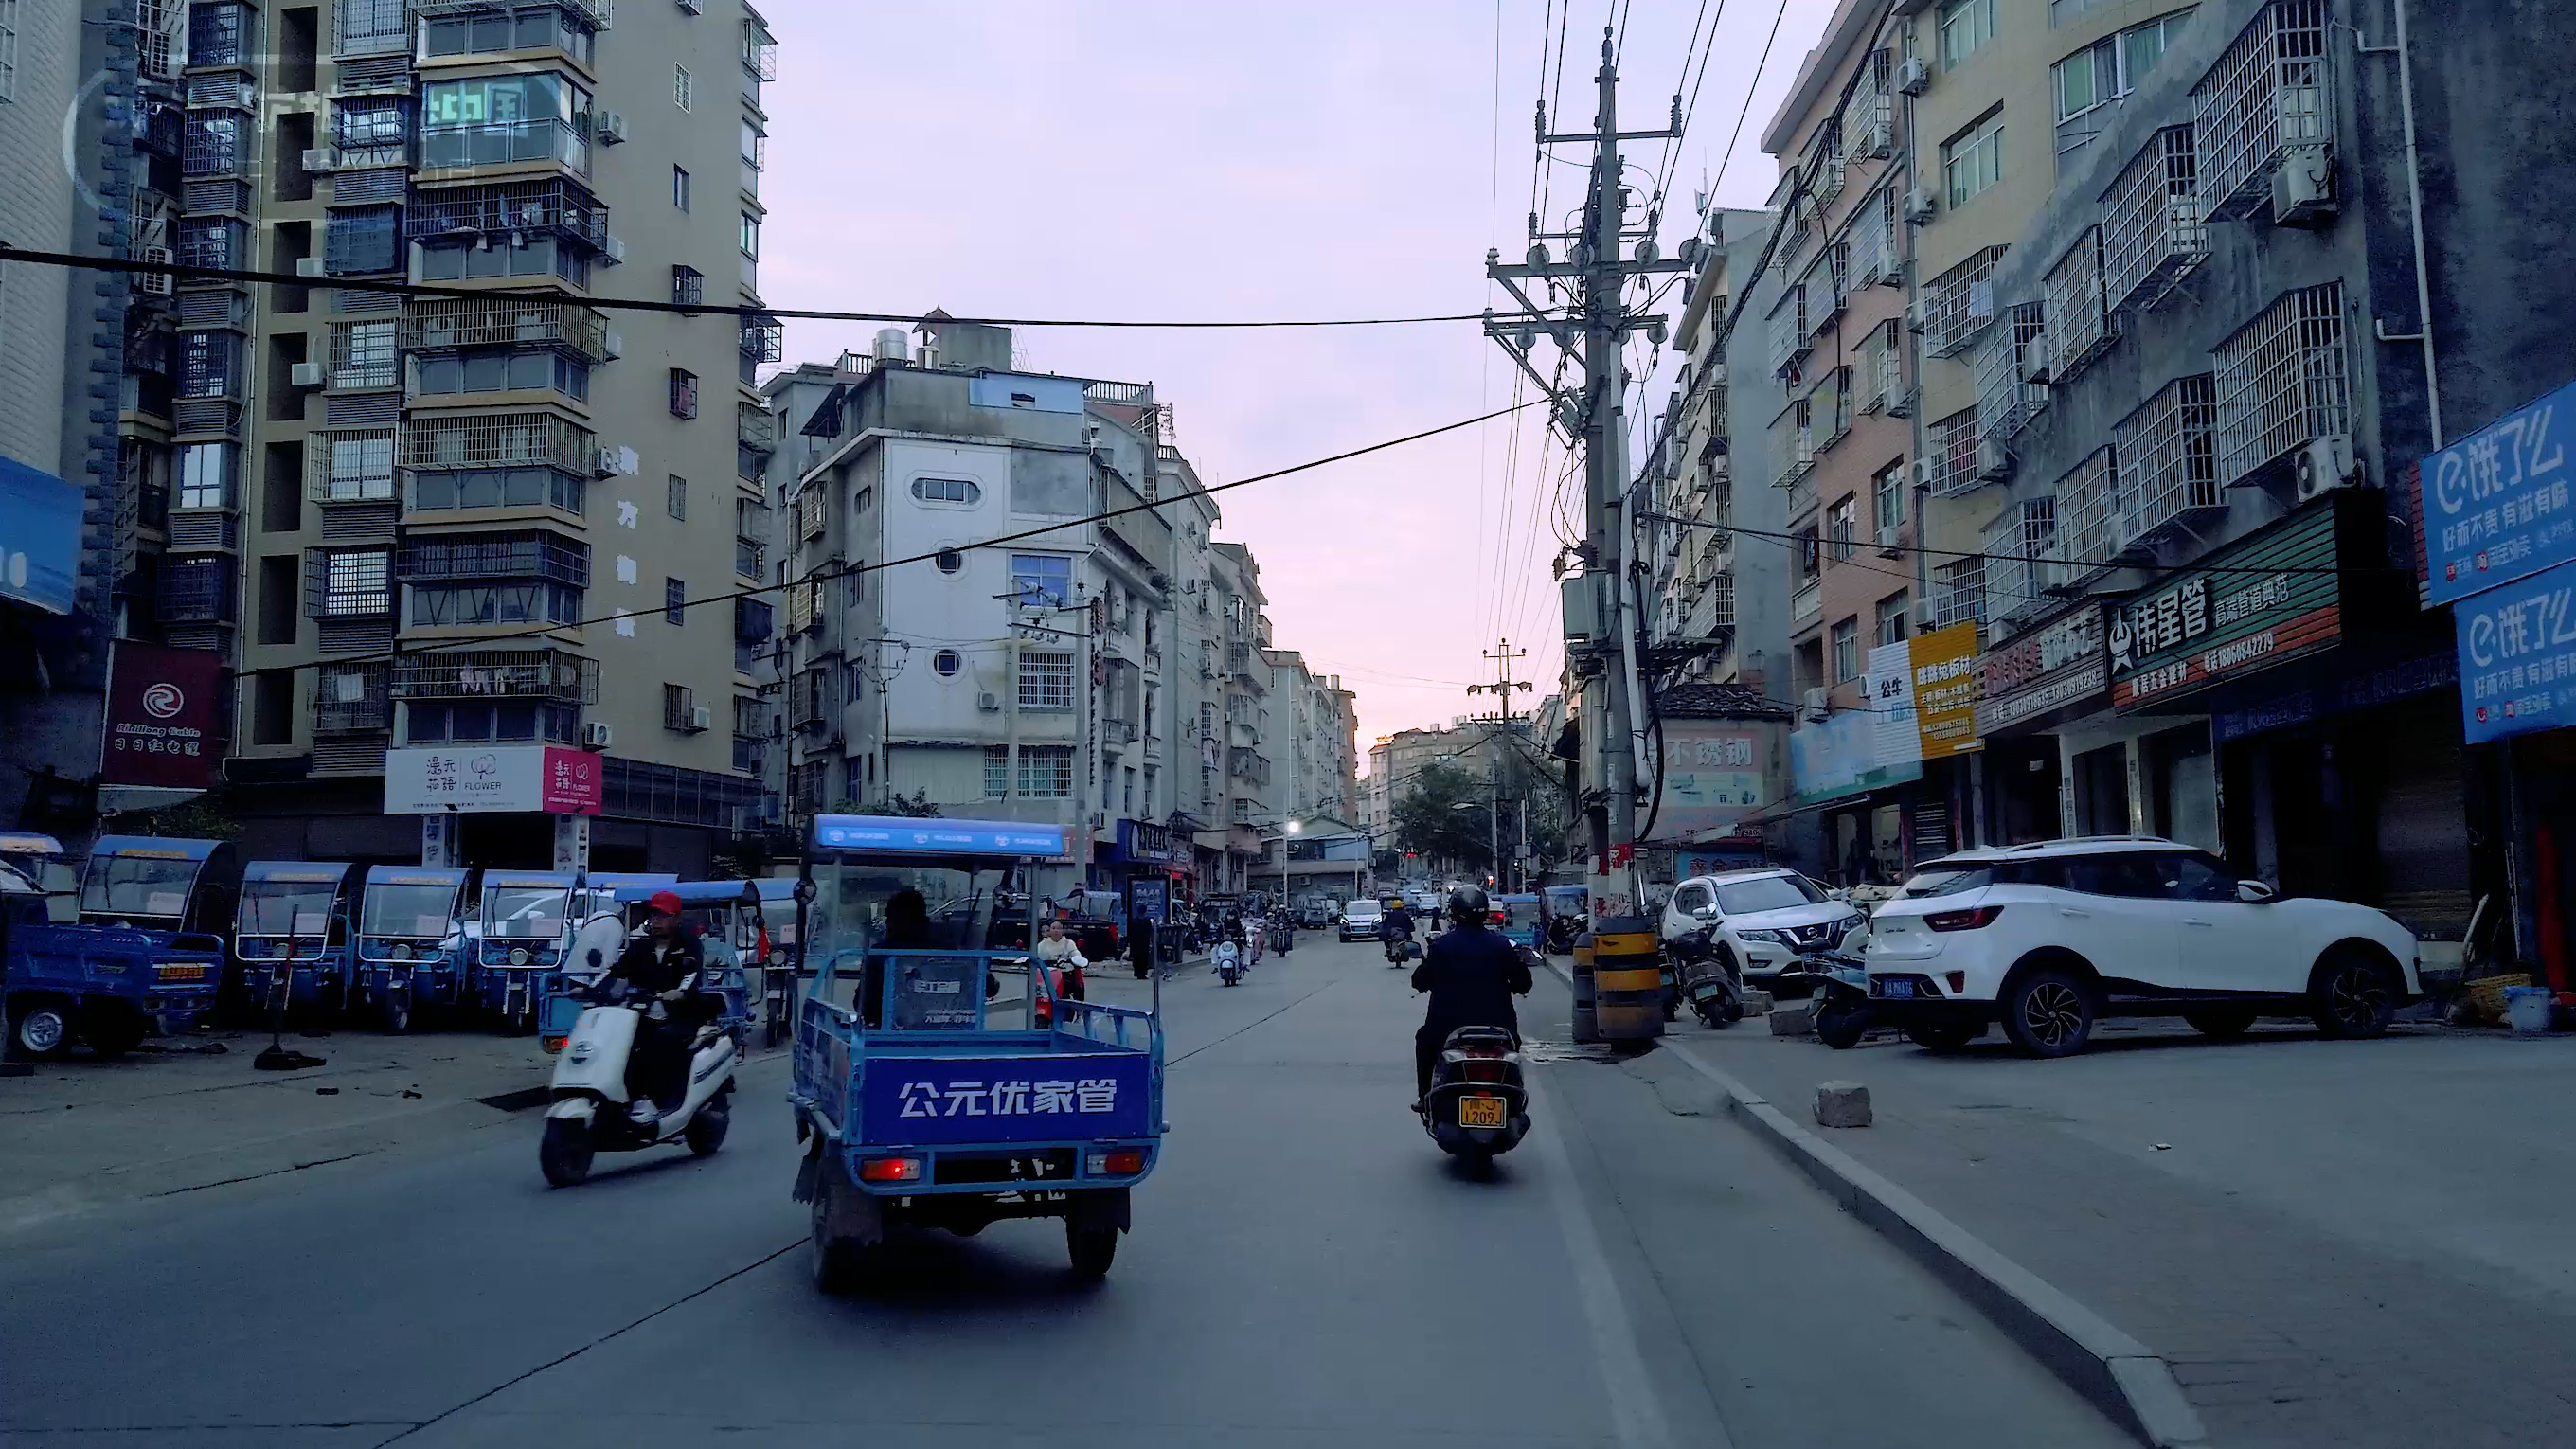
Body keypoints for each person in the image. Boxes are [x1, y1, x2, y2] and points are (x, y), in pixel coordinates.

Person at [1408, 885, 1532, 1106]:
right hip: (1498, 1028)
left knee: (1424, 1042)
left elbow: (1419, 981)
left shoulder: (1442, 947)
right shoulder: (1501, 946)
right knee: (1514, 1050)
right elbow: (1523, 984)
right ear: (1485, 912)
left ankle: (1425, 1097)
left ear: (1454, 914)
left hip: (1447, 1029)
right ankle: (1514, 1100)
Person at [598, 890, 711, 1125]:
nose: (657, 922)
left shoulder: (689, 945)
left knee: (659, 1042)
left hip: (680, 1016)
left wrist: (679, 992)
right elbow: (617, 971)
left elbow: (691, 975)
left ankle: (654, 1099)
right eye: (654, 916)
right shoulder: (641, 947)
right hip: (642, 1013)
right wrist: (591, 989)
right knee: (617, 1042)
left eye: (663, 917)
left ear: (677, 919)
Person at [1032, 916, 1088, 1008]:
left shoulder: (1068, 943)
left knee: (1076, 988)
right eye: (1053, 928)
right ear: (1049, 930)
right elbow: (1035, 957)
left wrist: (1077, 959)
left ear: (1063, 930)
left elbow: (1075, 954)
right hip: (1047, 976)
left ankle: (1079, 1012)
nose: (1056, 931)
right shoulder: (1042, 945)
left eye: (1059, 928)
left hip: (1066, 976)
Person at [1128, 908, 1157, 980]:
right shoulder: (1146, 921)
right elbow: (1149, 931)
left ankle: (1137, 972)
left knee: (1137, 957)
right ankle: (1142, 973)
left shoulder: (1134, 920)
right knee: (1143, 958)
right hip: (1144, 942)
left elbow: (1130, 931)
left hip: (1135, 942)